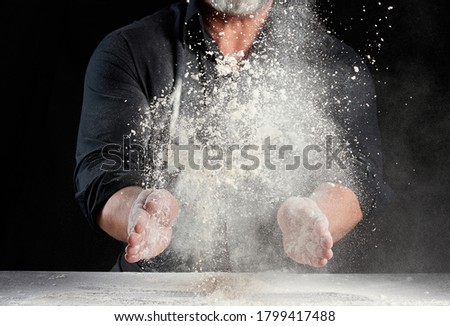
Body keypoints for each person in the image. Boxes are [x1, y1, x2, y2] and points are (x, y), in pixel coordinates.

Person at [74, 0, 390, 272]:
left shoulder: (333, 65)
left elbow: (358, 174)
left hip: (286, 297)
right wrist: (137, 209)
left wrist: (317, 213)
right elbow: (101, 172)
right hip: (154, 290)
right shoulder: (131, 52)